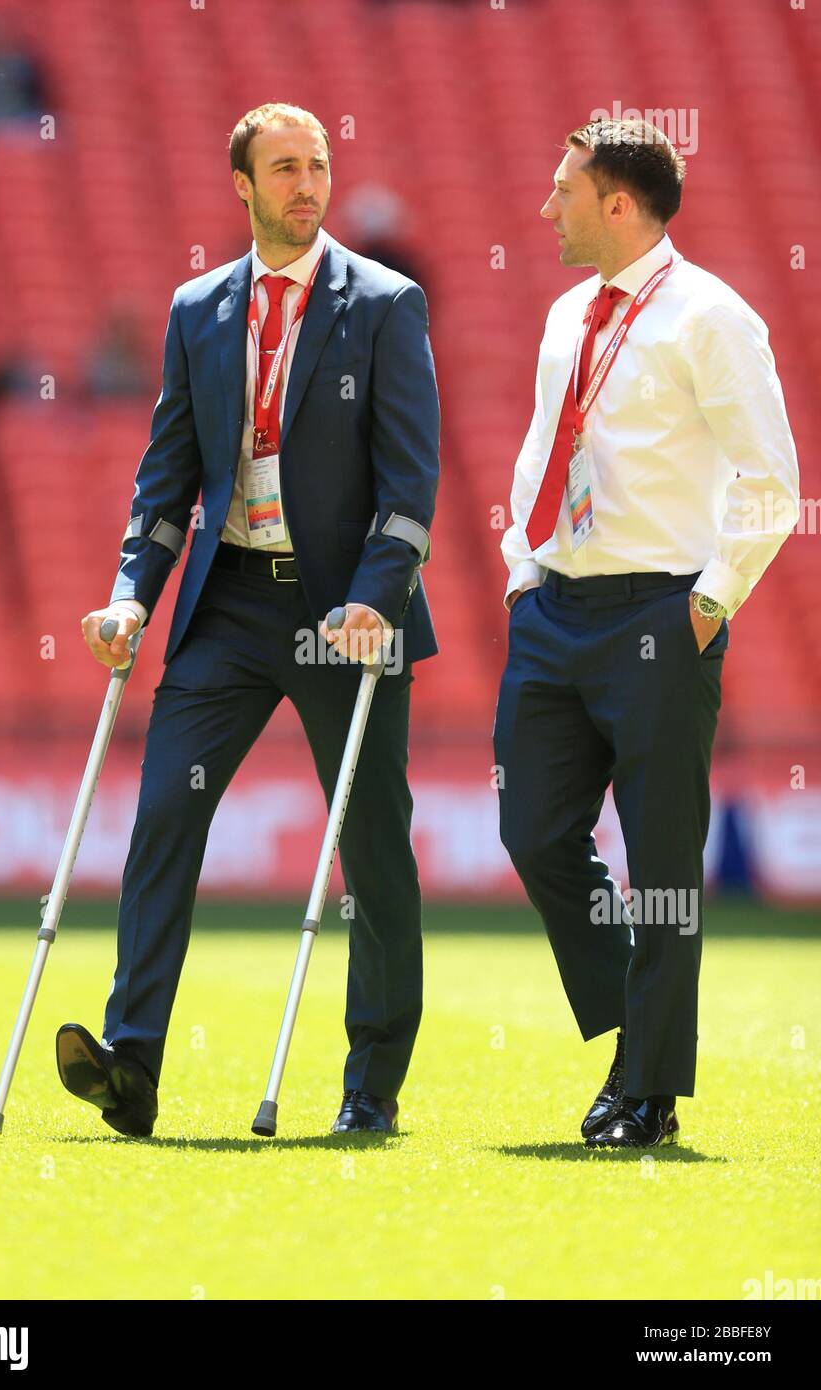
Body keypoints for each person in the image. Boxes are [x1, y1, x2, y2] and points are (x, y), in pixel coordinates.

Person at [56, 102, 440, 1138]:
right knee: (164, 818)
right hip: (222, 600)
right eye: (283, 168)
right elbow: (165, 475)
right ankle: (130, 1063)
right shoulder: (198, 310)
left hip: (345, 612)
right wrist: (132, 590)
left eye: (317, 165)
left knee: (372, 846)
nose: (306, 184)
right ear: (243, 185)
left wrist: (374, 590)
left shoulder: (384, 304)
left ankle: (371, 1086)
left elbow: (410, 482)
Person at [494, 118, 799, 1149]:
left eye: (562, 189)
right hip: (554, 607)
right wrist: (517, 567)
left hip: (659, 612)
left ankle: (645, 1090)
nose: (547, 207)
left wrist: (708, 601)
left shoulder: (712, 318)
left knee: (662, 864)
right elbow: (544, 446)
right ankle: (644, 1017)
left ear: (615, 202)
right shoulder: (563, 315)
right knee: (531, 831)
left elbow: (771, 479)